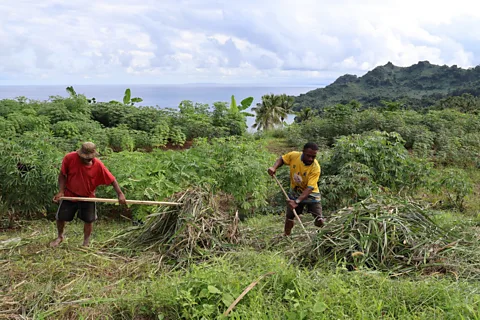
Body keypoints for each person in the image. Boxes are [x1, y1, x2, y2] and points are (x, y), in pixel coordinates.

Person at [50, 142, 127, 247]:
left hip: (88, 196)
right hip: (70, 193)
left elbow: (112, 179)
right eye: (85, 158)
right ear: (80, 154)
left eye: (90, 158)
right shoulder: (70, 158)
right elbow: (62, 175)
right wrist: (61, 191)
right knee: (61, 217)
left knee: (89, 219)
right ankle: (60, 236)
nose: (88, 160)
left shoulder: (98, 165)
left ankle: (86, 242)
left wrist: (120, 194)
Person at [267, 142, 324, 236]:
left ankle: (325, 236)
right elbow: (282, 159)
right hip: (295, 192)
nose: (310, 159)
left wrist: (296, 202)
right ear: (303, 152)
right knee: (289, 217)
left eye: (313, 157)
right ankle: (286, 236)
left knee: (320, 220)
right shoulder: (294, 156)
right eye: (308, 156)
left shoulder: (315, 168)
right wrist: (274, 167)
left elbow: (310, 188)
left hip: (311, 195)